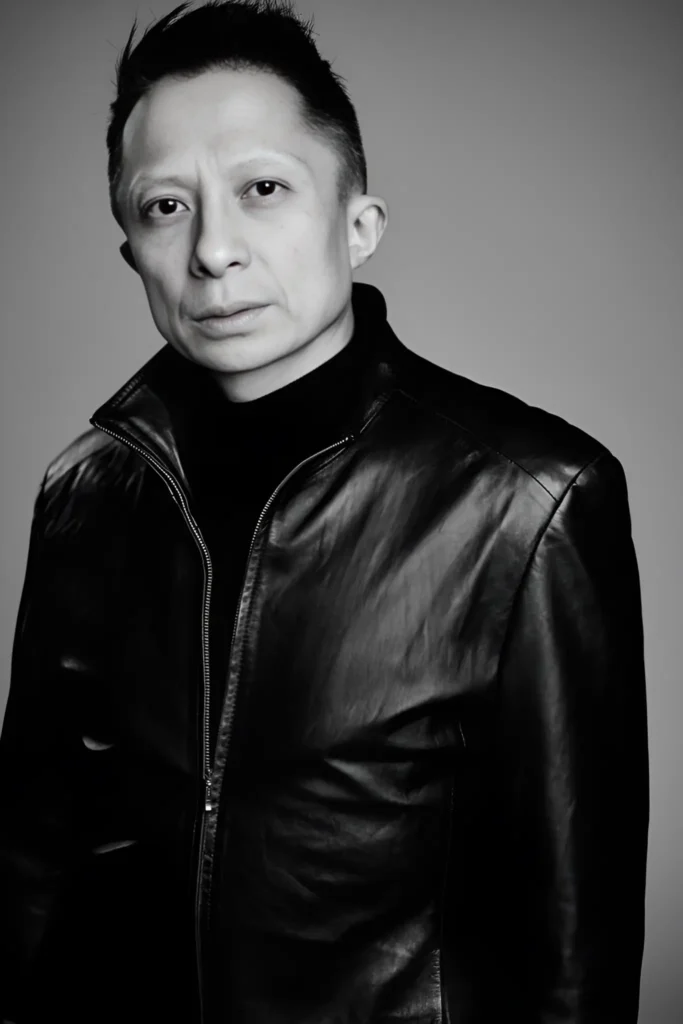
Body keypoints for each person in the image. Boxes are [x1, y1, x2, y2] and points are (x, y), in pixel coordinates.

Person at [0, 2, 649, 1022]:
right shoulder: (82, 497)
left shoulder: (528, 500)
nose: (215, 250)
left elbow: (572, 944)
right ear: (131, 251)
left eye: (263, 189)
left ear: (358, 226)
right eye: (165, 206)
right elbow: (30, 862)